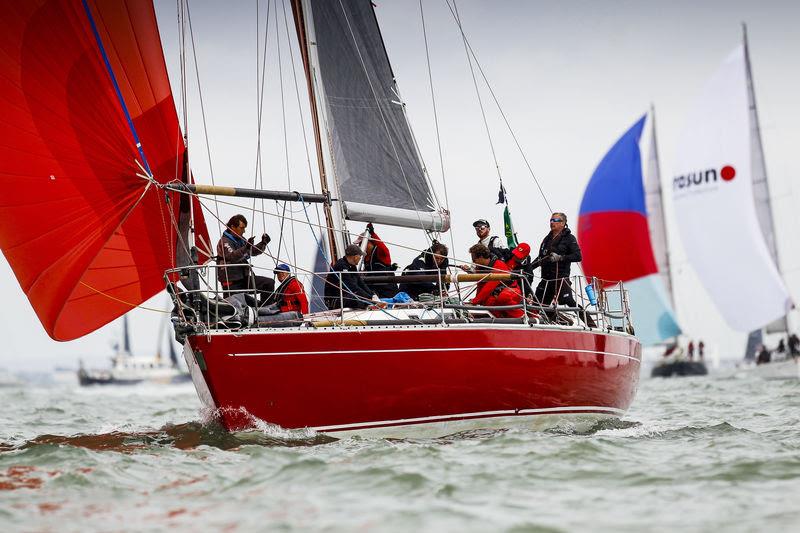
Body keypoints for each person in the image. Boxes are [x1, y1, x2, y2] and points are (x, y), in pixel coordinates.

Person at [528, 212, 595, 327]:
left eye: (556, 220)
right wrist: (528, 268)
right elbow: (541, 258)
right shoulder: (547, 239)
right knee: (537, 304)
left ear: (563, 223)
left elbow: (578, 256)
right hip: (546, 278)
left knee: (568, 301)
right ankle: (560, 320)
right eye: (551, 220)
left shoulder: (569, 238)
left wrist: (561, 257)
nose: (552, 222)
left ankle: (591, 323)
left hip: (561, 277)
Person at [216, 214, 274, 305]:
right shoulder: (224, 242)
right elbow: (232, 256)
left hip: (244, 279)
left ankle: (266, 310)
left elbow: (252, 251)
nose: (244, 231)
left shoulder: (241, 240)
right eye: (242, 228)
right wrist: (246, 247)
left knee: (269, 283)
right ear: (233, 227)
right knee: (242, 306)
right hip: (232, 283)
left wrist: (263, 243)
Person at [468, 243, 523, 318]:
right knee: (488, 302)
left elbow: (489, 286)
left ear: (481, 257)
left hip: (513, 290)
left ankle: (522, 316)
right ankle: (499, 319)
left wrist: (476, 300)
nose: (473, 262)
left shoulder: (499, 266)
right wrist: (477, 302)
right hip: (497, 293)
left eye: (474, 259)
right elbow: (480, 286)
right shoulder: (480, 269)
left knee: (503, 297)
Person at [325, 244, 386, 310]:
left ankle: (371, 304)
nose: (361, 258)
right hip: (334, 300)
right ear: (356, 257)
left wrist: (372, 295)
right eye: (360, 256)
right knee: (355, 297)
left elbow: (360, 283)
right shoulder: (341, 266)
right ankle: (370, 305)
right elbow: (352, 286)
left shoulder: (352, 266)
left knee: (363, 294)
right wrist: (370, 298)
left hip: (344, 296)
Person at [360, 224, 398, 298]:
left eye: (361, 243)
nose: (360, 246)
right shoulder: (365, 257)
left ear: (369, 243)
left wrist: (373, 234)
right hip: (374, 292)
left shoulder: (380, 253)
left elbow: (385, 249)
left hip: (388, 291)